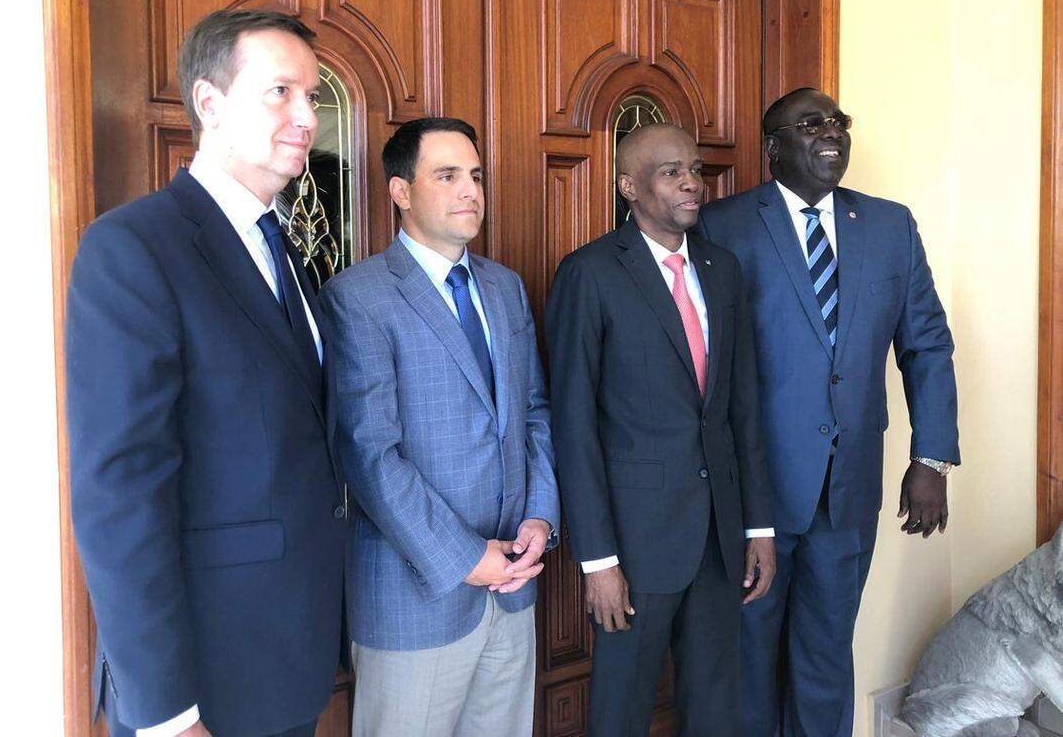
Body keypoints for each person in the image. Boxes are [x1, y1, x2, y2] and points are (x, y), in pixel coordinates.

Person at [67, 9, 347, 737]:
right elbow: (119, 495)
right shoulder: (134, 247)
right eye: (279, 92)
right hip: (202, 682)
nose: (304, 117)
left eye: (311, 97)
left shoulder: (281, 248)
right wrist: (166, 713)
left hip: (289, 660)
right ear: (210, 102)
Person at [698, 87, 959, 736]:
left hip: (848, 489)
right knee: (750, 657)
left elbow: (926, 345)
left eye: (838, 121)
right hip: (756, 493)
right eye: (810, 123)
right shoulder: (723, 225)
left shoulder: (891, 226)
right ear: (774, 146)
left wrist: (930, 459)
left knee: (826, 655)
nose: (831, 132)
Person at [321, 117, 559, 737]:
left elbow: (534, 412)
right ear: (401, 192)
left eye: (476, 176)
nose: (470, 192)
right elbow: (369, 455)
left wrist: (540, 516)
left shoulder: (505, 288)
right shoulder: (359, 297)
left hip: (514, 584)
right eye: (447, 175)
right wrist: (464, 557)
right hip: (413, 597)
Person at [546, 123, 776, 736]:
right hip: (635, 543)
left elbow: (741, 407)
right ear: (629, 186)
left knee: (715, 705)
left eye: (695, 170)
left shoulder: (722, 270)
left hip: (720, 538)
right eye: (671, 171)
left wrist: (758, 525)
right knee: (621, 709)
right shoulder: (590, 273)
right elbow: (573, 426)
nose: (691, 183)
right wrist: (597, 560)